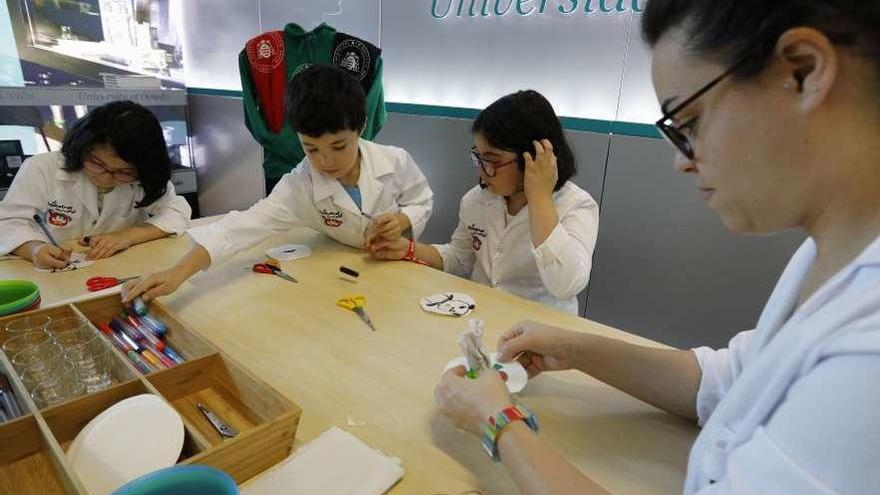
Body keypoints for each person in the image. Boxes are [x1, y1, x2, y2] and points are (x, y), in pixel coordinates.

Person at [433, 1, 880, 493]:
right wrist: (574, 347)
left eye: (689, 123)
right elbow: (725, 379)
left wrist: (499, 422)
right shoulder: (828, 255)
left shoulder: (867, 352)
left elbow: (566, 278)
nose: (681, 163)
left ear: (802, 71)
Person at [123, 64, 433, 302]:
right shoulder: (299, 185)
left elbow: (422, 199)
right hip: (343, 277)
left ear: (361, 127)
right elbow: (239, 228)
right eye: (311, 148)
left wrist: (403, 219)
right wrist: (178, 273)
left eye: (339, 146)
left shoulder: (395, 160)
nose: (326, 162)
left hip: (399, 266)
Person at [369, 90, 598, 315]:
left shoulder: (576, 205)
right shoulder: (477, 200)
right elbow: (459, 259)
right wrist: (408, 249)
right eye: (478, 156)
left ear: (533, 159)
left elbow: (565, 285)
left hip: (543, 336)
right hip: (484, 319)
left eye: (491, 160)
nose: (481, 170)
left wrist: (539, 198)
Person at [0, 101, 192, 269]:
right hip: (57, 272)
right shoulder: (42, 168)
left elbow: (176, 211)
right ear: (81, 147)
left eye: (124, 172)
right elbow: (8, 223)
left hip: (124, 267)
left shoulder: (144, 175)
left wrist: (128, 236)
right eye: (98, 163)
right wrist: (34, 249)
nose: (107, 177)